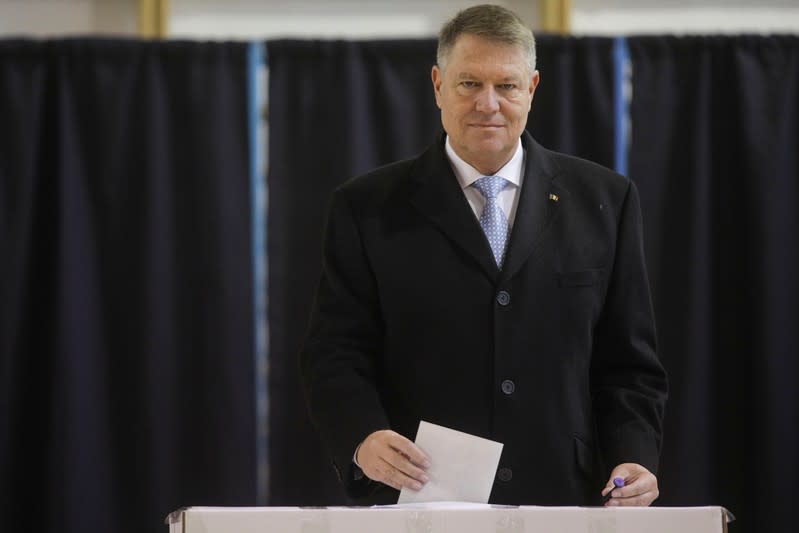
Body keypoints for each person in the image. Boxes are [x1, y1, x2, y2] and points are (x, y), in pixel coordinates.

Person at [300, 4, 667, 507]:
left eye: (507, 86)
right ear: (437, 85)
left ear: (532, 88)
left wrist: (635, 455)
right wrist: (362, 439)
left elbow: (628, 363)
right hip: (420, 498)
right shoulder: (365, 207)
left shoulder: (606, 200)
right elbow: (334, 354)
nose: (488, 104)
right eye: (469, 84)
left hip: (566, 497)